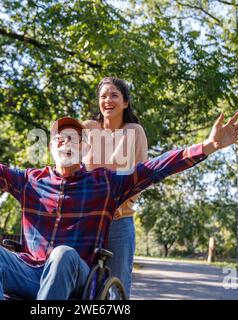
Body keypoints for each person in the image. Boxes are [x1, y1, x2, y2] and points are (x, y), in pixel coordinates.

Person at [0, 111, 238, 300]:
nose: (65, 142)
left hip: (76, 278)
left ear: (85, 148)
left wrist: (206, 147)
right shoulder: (30, 180)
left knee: (62, 254)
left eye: (73, 139)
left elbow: (156, 167)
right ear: (51, 147)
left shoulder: (105, 183)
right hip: (29, 272)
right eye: (59, 138)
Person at [83, 77, 148, 298]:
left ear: (126, 102)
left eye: (114, 95)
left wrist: (123, 203)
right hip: (88, 219)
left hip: (120, 220)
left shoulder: (135, 131)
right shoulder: (88, 128)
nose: (107, 100)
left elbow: (141, 176)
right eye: (103, 96)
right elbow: (73, 169)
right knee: (81, 282)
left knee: (117, 286)